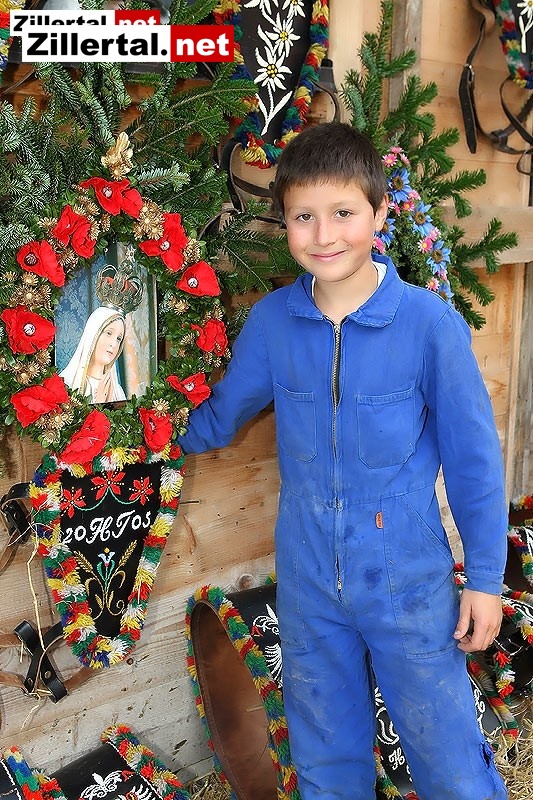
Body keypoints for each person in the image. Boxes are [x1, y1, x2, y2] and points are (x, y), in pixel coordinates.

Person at [178, 122, 508, 800]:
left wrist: (484, 578)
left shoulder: (428, 326)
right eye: (303, 216)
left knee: (448, 761)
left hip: (406, 580)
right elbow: (221, 414)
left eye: (343, 213)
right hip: (307, 582)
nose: (323, 235)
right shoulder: (273, 323)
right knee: (325, 760)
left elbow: (473, 461)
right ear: (285, 220)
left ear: (380, 214)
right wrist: (140, 432)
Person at [60, 305, 126, 403]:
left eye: (118, 339)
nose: (114, 344)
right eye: (109, 333)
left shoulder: (118, 391)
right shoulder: (66, 383)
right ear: (93, 334)